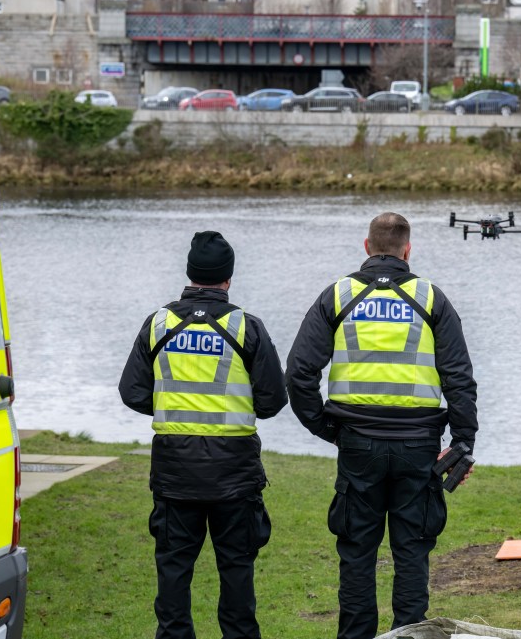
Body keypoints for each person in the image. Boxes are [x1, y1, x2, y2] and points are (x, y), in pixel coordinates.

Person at [286, 212, 478, 639]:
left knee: (357, 551)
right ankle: (408, 635)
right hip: (419, 447)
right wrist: (462, 443)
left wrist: (326, 428)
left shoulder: (338, 296)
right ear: (408, 250)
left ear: (367, 247)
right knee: (411, 551)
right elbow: (459, 377)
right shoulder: (431, 299)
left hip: (357, 443)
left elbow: (299, 373)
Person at [119, 230, 288, 639]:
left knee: (174, 571)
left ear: (189, 273)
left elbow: (133, 392)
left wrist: (175, 407)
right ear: (228, 279)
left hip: (175, 470)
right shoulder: (247, 326)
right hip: (234, 472)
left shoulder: (158, 324)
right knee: (236, 570)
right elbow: (271, 400)